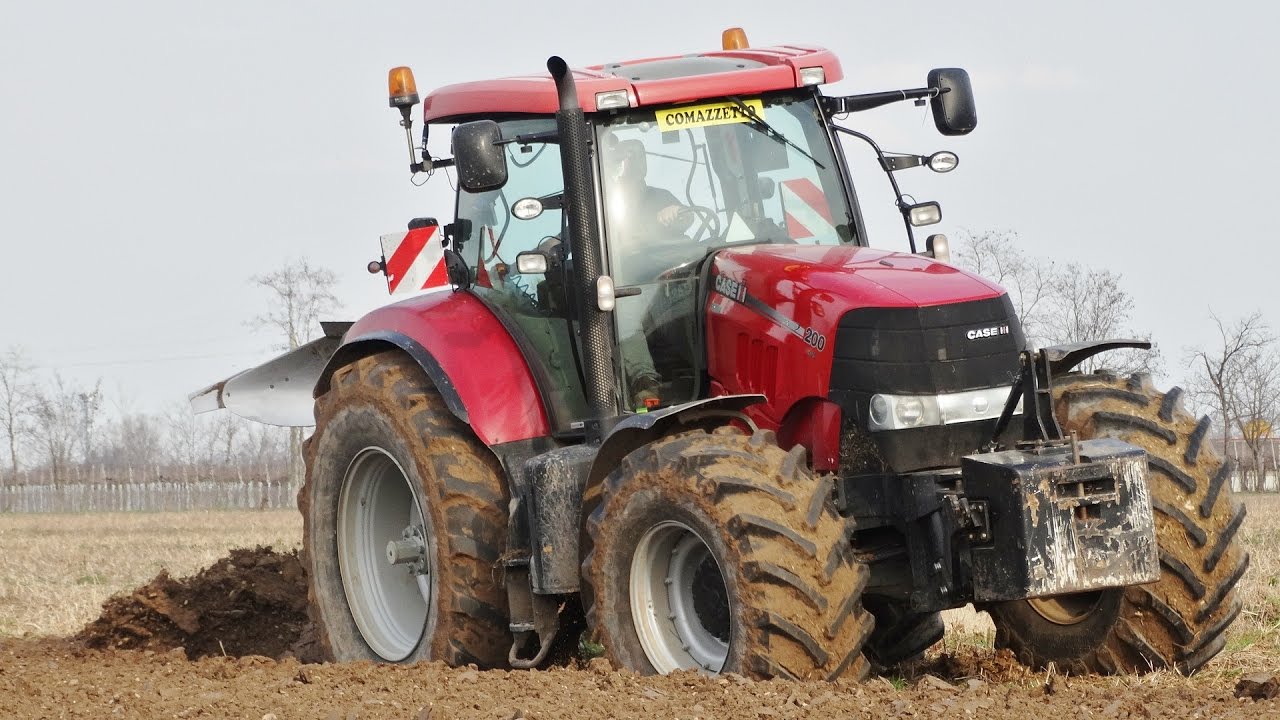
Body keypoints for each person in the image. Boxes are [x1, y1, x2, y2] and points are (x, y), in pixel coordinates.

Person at [600, 136, 699, 409]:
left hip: (670, 279)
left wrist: (677, 213)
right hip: (627, 283)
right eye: (628, 155)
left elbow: (685, 216)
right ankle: (645, 386)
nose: (634, 161)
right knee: (626, 314)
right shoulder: (602, 203)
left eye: (639, 155)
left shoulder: (660, 196)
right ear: (616, 162)